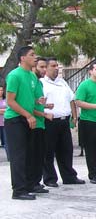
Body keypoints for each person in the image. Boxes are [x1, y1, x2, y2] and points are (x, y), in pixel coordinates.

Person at [41, 57, 85, 187]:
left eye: (57, 66)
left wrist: (74, 116)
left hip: (64, 121)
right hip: (50, 121)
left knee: (66, 150)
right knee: (48, 151)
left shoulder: (62, 82)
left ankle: (69, 176)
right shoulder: (42, 83)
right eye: (53, 66)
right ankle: (49, 178)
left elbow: (72, 99)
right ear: (46, 68)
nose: (56, 68)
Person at [5, 46, 38, 200]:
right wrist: (28, 115)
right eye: (32, 55)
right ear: (23, 58)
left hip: (28, 119)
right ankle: (18, 190)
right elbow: (11, 101)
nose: (35, 57)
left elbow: (28, 99)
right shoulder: (14, 75)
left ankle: (29, 185)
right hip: (15, 120)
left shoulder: (32, 76)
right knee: (18, 155)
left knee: (31, 154)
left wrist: (39, 103)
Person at [26, 57, 51, 194]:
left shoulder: (39, 83)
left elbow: (36, 102)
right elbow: (28, 105)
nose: (44, 70)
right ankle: (30, 183)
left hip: (41, 124)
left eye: (45, 67)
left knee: (40, 155)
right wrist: (44, 115)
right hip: (33, 123)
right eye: (41, 67)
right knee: (33, 155)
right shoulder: (31, 82)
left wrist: (45, 106)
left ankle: (36, 182)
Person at [0, 85, 8, 160]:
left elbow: (9, 109)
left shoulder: (6, 100)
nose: (1, 92)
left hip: (5, 123)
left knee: (6, 142)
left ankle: (9, 158)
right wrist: (4, 111)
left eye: (2, 90)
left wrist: (2, 111)